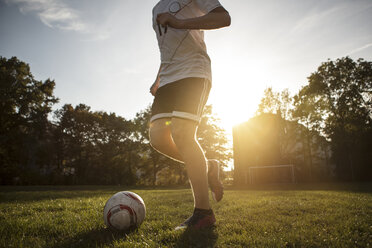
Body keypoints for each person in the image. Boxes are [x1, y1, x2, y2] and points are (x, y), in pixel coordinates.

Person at [149, 0, 231, 230]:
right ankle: (209, 166)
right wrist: (158, 78)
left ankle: (203, 213)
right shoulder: (155, 9)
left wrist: (178, 21)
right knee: (157, 138)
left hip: (194, 71)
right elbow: (167, 47)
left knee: (183, 134)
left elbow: (224, 18)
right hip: (167, 79)